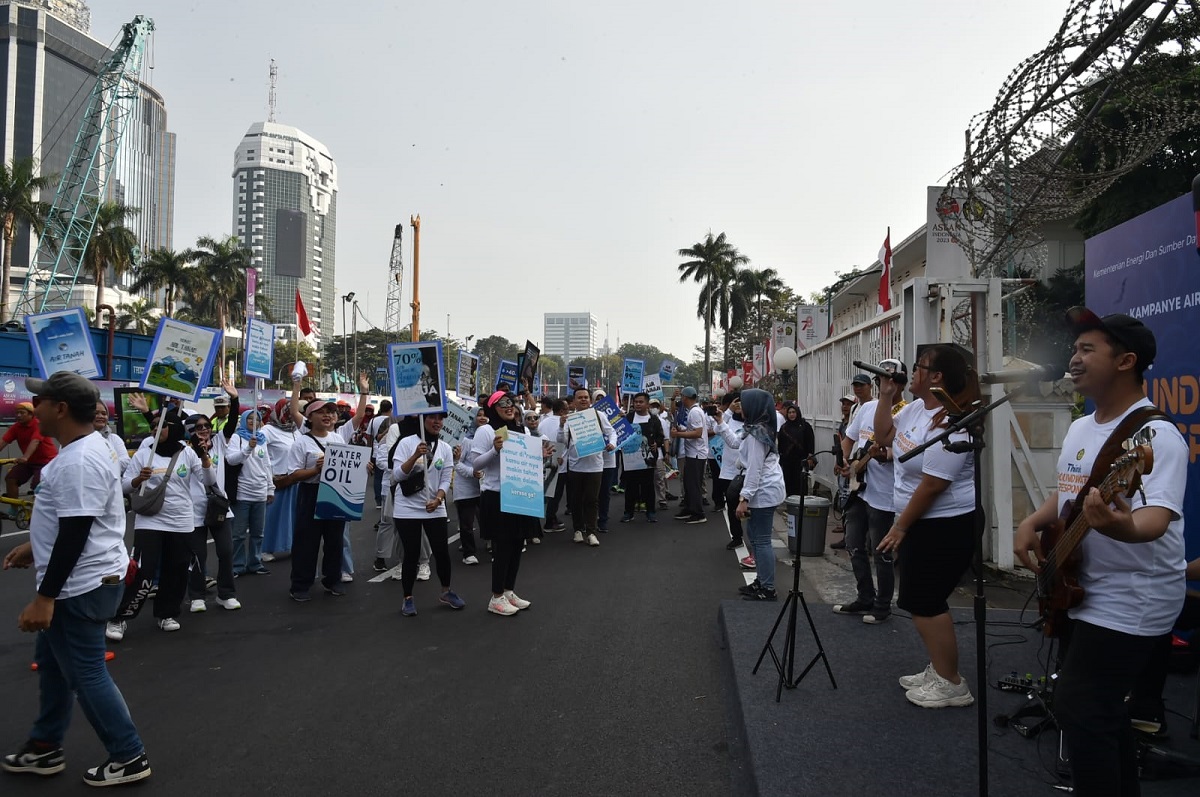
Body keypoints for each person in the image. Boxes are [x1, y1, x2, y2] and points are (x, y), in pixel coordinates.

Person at [1014, 308, 1187, 795]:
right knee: (1100, 712)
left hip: (1134, 597)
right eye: (1075, 348)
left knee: (1080, 708)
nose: (1074, 358)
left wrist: (1120, 526)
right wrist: (1032, 521)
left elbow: (1156, 518)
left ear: (1127, 361)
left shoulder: (1155, 437)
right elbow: (1069, 494)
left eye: (1088, 349)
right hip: (1083, 589)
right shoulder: (1082, 426)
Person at [1, 372, 151, 786]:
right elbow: (80, 517)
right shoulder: (88, 449)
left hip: (79, 587)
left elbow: (76, 530)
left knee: (86, 672)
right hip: (88, 578)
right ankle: (45, 745)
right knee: (52, 664)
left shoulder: (78, 460)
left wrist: (45, 598)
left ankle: (128, 755)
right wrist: (34, 545)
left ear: (61, 408)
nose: (33, 408)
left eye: (42, 401)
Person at [873, 344, 979, 708]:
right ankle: (939, 666)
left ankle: (952, 682)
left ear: (936, 377)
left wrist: (900, 527)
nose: (911, 372)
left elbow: (934, 484)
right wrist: (887, 396)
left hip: (945, 524)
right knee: (919, 597)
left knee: (925, 599)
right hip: (920, 521)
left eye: (918, 368)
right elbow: (884, 437)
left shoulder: (953, 423)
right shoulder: (918, 407)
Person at [107, 409, 216, 640]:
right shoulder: (143, 455)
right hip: (150, 521)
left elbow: (208, 481)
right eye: (154, 425)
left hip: (181, 521)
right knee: (143, 571)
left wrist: (204, 457)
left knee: (176, 570)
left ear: (174, 427)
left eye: (162, 425)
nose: (156, 429)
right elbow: (125, 486)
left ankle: (166, 614)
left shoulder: (187, 453)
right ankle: (119, 618)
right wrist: (138, 479)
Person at [832, 359, 906, 624]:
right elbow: (850, 438)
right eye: (880, 380)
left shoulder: (907, 413)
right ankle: (864, 596)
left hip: (883, 494)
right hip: (858, 489)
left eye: (890, 380)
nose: (885, 384)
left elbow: (898, 453)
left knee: (881, 552)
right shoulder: (868, 408)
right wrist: (845, 461)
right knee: (853, 545)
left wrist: (883, 455)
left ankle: (882, 605)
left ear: (900, 384)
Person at [390, 413, 465, 616]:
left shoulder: (445, 448)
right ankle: (407, 598)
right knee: (411, 554)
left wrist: (439, 499)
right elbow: (396, 475)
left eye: (440, 419)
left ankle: (446, 592)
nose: (437, 422)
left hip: (435, 507)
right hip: (407, 508)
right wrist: (415, 456)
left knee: (441, 552)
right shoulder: (406, 443)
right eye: (432, 418)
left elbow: (445, 477)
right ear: (423, 421)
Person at [472, 391, 534, 615]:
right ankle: (496, 596)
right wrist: (494, 450)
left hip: (519, 493)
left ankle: (509, 591)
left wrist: (541, 456)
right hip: (496, 495)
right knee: (503, 547)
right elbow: (476, 464)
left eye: (512, 402)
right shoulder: (486, 430)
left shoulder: (522, 430)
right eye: (503, 403)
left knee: (518, 544)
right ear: (492, 407)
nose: (509, 407)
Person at [286, 398, 345, 602]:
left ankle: (333, 579)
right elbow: (293, 475)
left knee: (335, 541)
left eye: (330, 412)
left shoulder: (338, 439)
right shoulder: (302, 442)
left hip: (335, 493)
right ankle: (300, 584)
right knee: (306, 541)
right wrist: (315, 469)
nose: (327, 415)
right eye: (321, 412)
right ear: (309, 417)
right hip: (310, 493)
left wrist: (363, 467)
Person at [182, 414, 239, 614]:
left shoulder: (218, 443)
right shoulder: (183, 450)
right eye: (199, 426)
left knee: (225, 551)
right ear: (189, 430)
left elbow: (231, 424)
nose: (205, 429)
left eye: (207, 425)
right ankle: (197, 596)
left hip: (219, 507)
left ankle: (226, 594)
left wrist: (234, 399)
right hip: (194, 510)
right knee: (198, 555)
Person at [733, 389, 786, 601]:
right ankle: (762, 580)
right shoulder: (757, 429)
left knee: (762, 539)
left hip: (763, 490)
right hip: (762, 488)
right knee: (755, 536)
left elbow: (755, 469)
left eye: (743, 404)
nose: (740, 408)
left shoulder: (757, 434)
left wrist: (743, 498)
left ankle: (768, 588)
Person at [557, 386, 616, 547]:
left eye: (586, 397)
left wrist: (612, 443)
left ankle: (591, 532)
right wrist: (561, 426)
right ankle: (578, 529)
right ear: (573, 401)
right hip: (575, 466)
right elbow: (561, 440)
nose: (583, 399)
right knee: (576, 500)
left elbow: (612, 431)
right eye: (580, 397)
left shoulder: (599, 415)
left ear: (590, 400)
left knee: (592, 500)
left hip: (595, 466)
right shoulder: (569, 419)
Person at [225, 409, 275, 576]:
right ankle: (237, 566)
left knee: (258, 533)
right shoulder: (237, 438)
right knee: (238, 534)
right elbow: (231, 460)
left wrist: (270, 488)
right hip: (242, 493)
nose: (254, 422)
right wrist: (247, 448)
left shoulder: (262, 439)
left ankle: (255, 562)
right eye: (250, 419)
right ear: (244, 420)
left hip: (260, 492)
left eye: (257, 419)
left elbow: (267, 465)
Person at [262, 396, 300, 561]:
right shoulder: (267, 431)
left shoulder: (296, 430)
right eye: (289, 410)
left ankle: (293, 545)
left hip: (297, 479)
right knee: (273, 516)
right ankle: (265, 549)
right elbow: (260, 454)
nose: (292, 415)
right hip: (278, 480)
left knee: (295, 517)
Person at [451, 407, 487, 566]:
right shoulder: (465, 439)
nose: (482, 417)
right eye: (478, 415)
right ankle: (469, 553)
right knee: (467, 524)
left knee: (487, 520)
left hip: (483, 487)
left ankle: (491, 544)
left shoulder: (489, 437)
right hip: (465, 490)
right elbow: (456, 464)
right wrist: (473, 472)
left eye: (485, 415)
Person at [620, 392, 663, 524]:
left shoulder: (654, 419)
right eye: (636, 402)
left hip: (648, 459)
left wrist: (657, 443)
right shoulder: (628, 417)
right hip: (631, 458)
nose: (637, 404)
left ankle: (651, 512)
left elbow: (660, 436)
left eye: (640, 402)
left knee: (648, 486)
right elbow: (621, 435)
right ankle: (628, 512)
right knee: (631, 487)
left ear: (647, 404)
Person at [3, 400, 57, 505]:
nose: (19, 415)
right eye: (17, 413)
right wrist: (26, 459)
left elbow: (35, 441)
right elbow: (3, 441)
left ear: (31, 414)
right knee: (11, 478)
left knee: (37, 484)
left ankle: (37, 510)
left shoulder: (38, 424)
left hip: (46, 462)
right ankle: (14, 509)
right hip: (29, 462)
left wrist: (25, 457)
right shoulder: (16, 427)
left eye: (22, 413)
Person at [711, 392, 745, 550]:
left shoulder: (751, 424)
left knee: (747, 507)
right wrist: (729, 411)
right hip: (728, 471)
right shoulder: (728, 419)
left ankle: (753, 540)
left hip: (746, 473)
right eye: (735, 403)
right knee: (732, 507)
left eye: (741, 403)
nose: (738, 406)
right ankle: (736, 537)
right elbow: (716, 429)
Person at [671, 386, 709, 524]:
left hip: (697, 454)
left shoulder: (695, 412)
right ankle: (689, 507)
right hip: (693, 453)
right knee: (688, 482)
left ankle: (698, 513)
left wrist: (679, 434)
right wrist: (683, 430)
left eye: (682, 397)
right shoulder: (694, 411)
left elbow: (698, 433)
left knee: (693, 484)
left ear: (685, 398)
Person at [776, 402, 815, 499]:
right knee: (788, 481)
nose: (792, 414)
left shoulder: (805, 426)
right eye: (789, 413)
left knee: (801, 481)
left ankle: (802, 501)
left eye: (793, 412)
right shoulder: (784, 427)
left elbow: (810, 441)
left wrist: (810, 455)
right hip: (787, 460)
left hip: (801, 459)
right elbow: (780, 443)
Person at [92, 400, 130, 477]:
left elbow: (126, 462)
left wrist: (100, 467)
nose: (101, 416)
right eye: (96, 413)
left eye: (104, 413)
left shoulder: (115, 439)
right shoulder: (80, 439)